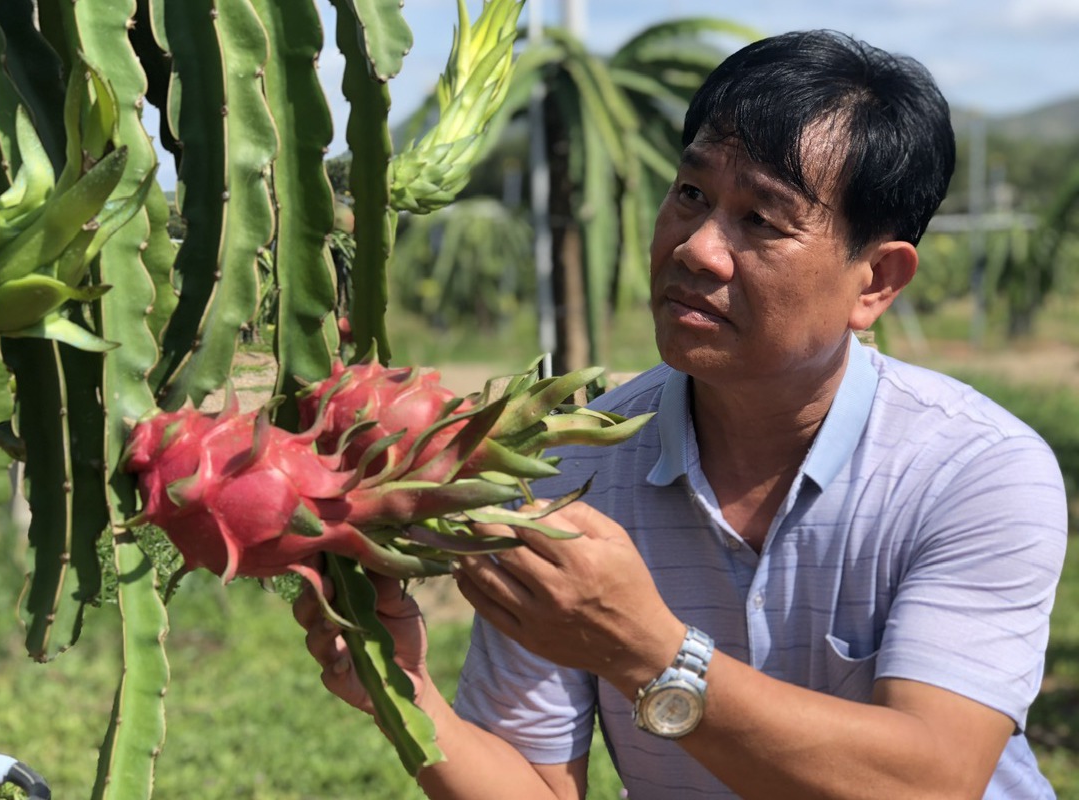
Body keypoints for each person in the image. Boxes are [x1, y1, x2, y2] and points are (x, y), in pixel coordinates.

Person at [295, 29, 1069, 799]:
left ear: (877, 282)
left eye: (761, 220)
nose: (698, 248)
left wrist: (648, 651)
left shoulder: (975, 472)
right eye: (691, 194)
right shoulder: (566, 471)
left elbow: (930, 782)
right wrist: (408, 696)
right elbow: (537, 786)